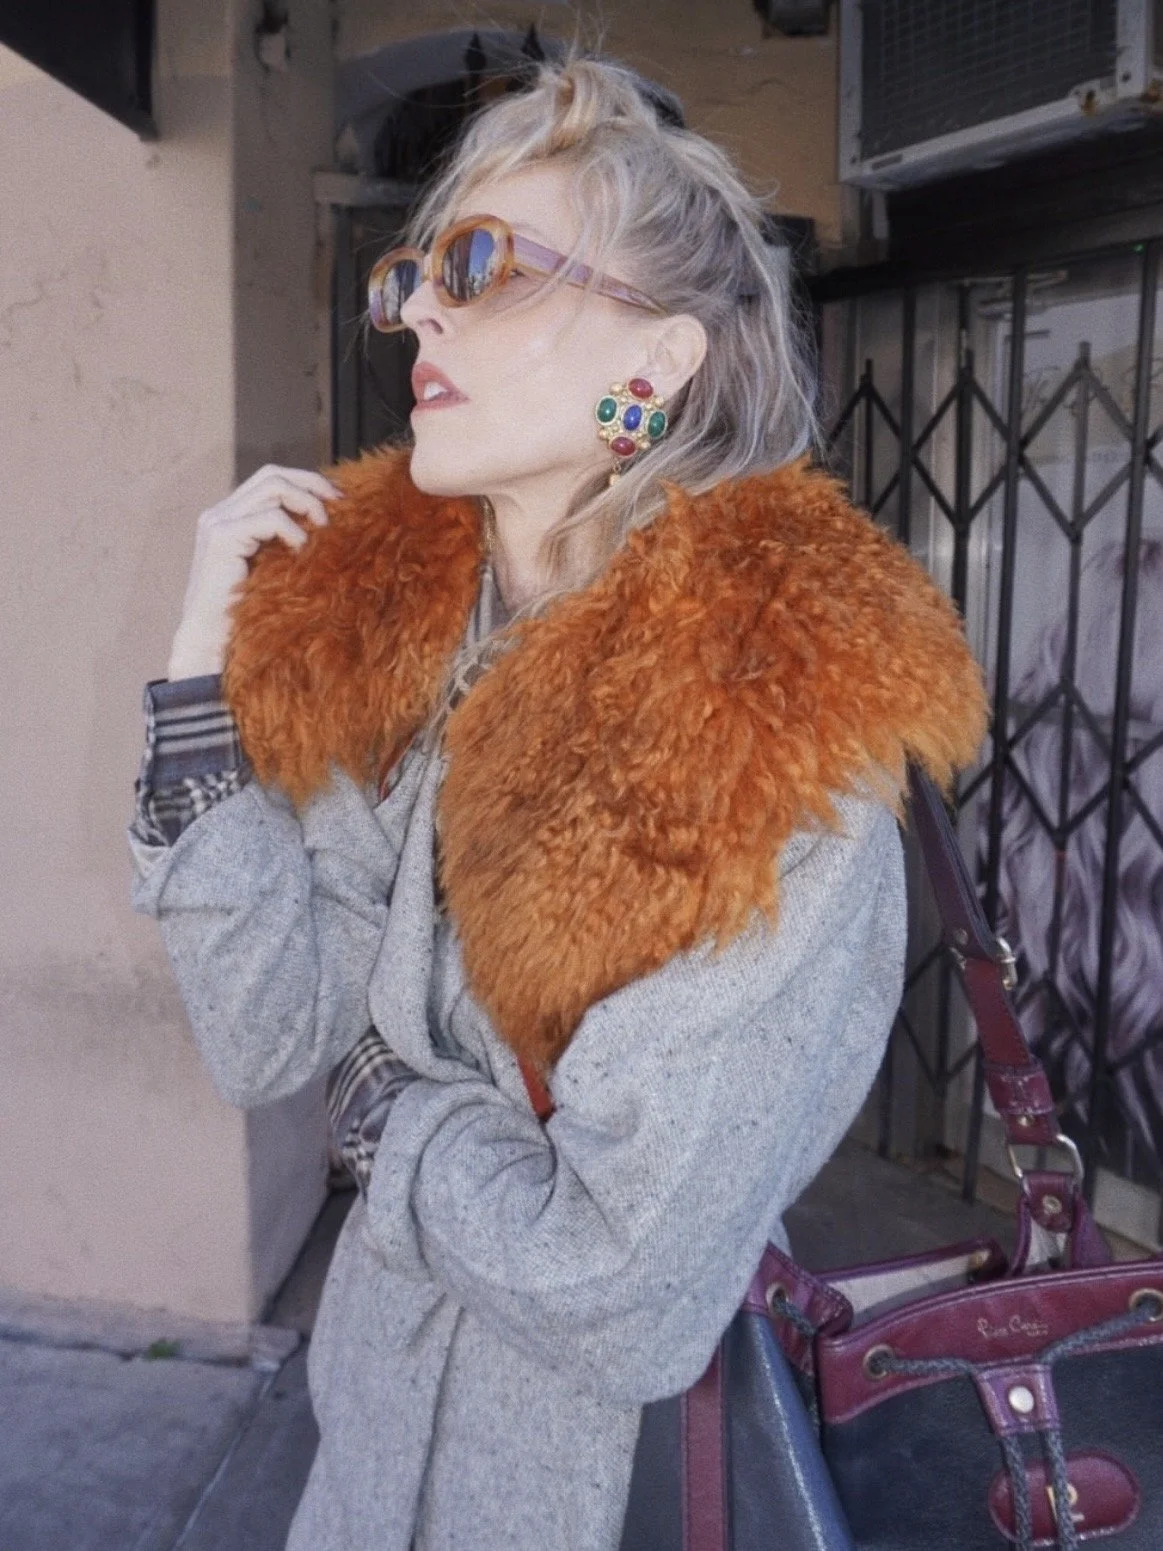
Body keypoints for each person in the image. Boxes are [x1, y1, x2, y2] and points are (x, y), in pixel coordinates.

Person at [130, 57, 986, 1551]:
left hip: (598, 1493)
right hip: (363, 1470)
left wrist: (385, 1118)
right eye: (413, 276)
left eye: (480, 266)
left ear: (655, 359)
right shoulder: (403, 648)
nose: (420, 312)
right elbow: (267, 1033)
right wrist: (201, 683)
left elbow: (621, 1284)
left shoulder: (768, 740)